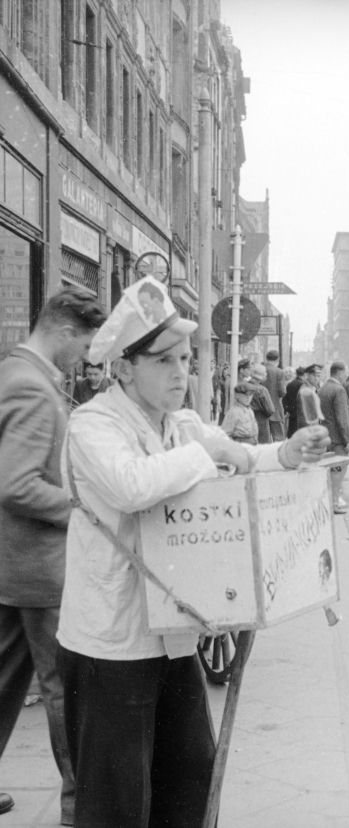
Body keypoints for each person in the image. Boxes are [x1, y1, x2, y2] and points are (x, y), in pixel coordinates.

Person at [56, 276, 329, 827]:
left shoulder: (179, 425)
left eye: (186, 359)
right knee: (116, 802)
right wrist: (211, 453)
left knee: (189, 783)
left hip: (174, 634)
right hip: (110, 646)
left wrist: (288, 453)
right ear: (125, 368)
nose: (182, 373)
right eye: (165, 361)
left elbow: (244, 457)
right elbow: (132, 485)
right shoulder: (93, 426)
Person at [0, 286, 107, 825]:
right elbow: (16, 484)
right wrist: (83, 508)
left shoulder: (13, 373)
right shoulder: (33, 389)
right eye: (85, 345)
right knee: (66, 692)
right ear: (65, 331)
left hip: (10, 569)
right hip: (37, 572)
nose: (85, 358)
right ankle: (79, 808)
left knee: (3, 685)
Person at [318, 362, 349, 515]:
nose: (347, 376)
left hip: (326, 436)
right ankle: (334, 504)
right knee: (338, 473)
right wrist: (348, 439)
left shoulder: (323, 388)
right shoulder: (339, 390)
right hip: (337, 439)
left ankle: (326, 502)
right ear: (339, 373)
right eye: (346, 373)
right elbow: (343, 418)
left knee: (327, 472)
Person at [262, 350, 287, 441]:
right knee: (278, 438)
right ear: (278, 359)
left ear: (266, 358)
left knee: (263, 439)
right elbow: (282, 392)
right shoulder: (279, 372)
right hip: (275, 409)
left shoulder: (260, 370)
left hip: (262, 410)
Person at [248, 363, 275, 444]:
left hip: (247, 420)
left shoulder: (244, 385)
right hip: (261, 422)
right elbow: (270, 409)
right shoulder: (262, 390)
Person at [283, 366, 306, 438]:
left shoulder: (290, 384)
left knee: (291, 430)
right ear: (304, 374)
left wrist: (287, 409)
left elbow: (285, 398)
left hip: (291, 410)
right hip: (299, 411)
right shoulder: (303, 385)